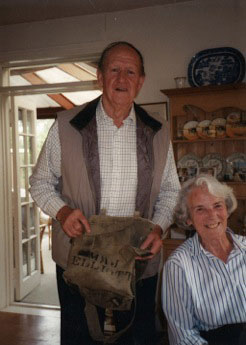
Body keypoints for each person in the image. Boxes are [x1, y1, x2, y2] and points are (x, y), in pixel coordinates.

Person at [30, 41, 180, 345]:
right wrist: (62, 211)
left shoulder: (159, 131)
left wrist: (159, 227)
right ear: (99, 76)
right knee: (79, 336)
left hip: (137, 256)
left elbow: (170, 190)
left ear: (140, 82)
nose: (121, 79)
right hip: (77, 256)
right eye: (114, 70)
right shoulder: (66, 125)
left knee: (137, 337)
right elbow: (40, 182)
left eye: (130, 72)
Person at [162, 174, 246, 345]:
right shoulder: (179, 265)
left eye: (217, 205)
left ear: (227, 209)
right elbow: (183, 336)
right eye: (200, 209)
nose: (212, 215)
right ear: (188, 219)